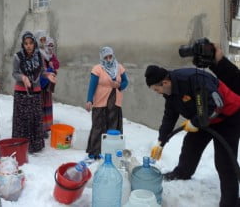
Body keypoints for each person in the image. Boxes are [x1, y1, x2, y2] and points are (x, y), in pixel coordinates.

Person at [145, 65, 240, 207]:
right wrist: (161, 141)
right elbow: (169, 117)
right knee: (191, 144)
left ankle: (230, 202)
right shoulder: (170, 93)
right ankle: (183, 172)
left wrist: (195, 122)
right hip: (203, 119)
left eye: (156, 89)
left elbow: (215, 104)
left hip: (227, 115)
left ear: (164, 83)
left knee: (224, 161)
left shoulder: (193, 79)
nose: (157, 93)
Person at [12, 31, 56, 153]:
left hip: (36, 91)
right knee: (23, 120)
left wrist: (48, 75)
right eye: (26, 43)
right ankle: (21, 146)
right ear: (23, 44)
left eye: (31, 43)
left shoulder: (38, 56)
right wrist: (23, 78)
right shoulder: (18, 56)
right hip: (22, 92)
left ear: (34, 43)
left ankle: (35, 146)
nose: (29, 46)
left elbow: (41, 71)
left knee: (35, 118)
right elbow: (14, 73)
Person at [85, 46, 129, 159]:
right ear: (102, 57)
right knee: (98, 126)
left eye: (110, 56)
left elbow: (125, 81)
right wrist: (89, 100)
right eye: (106, 57)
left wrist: (119, 86)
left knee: (113, 127)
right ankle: (95, 151)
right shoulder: (97, 69)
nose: (109, 59)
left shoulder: (119, 68)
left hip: (115, 103)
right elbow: (92, 86)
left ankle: (111, 151)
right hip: (101, 102)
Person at [38, 35, 60, 138]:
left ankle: (47, 127)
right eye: (41, 40)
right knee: (40, 106)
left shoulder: (50, 55)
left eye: (52, 46)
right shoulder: (38, 54)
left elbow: (57, 64)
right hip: (40, 84)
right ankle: (41, 128)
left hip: (47, 85)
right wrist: (51, 70)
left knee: (47, 105)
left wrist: (53, 67)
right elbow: (41, 70)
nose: (50, 48)